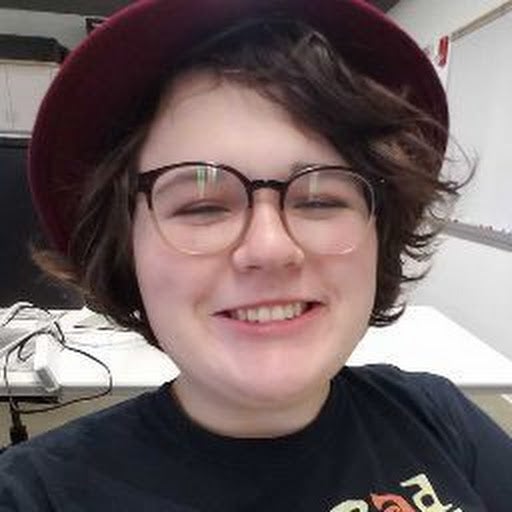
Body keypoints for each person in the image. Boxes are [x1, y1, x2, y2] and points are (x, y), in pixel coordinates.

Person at [1, 0, 511, 510]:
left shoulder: (440, 419)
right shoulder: (34, 494)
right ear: (125, 249)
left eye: (321, 201)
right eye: (202, 206)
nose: (271, 248)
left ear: (380, 236)